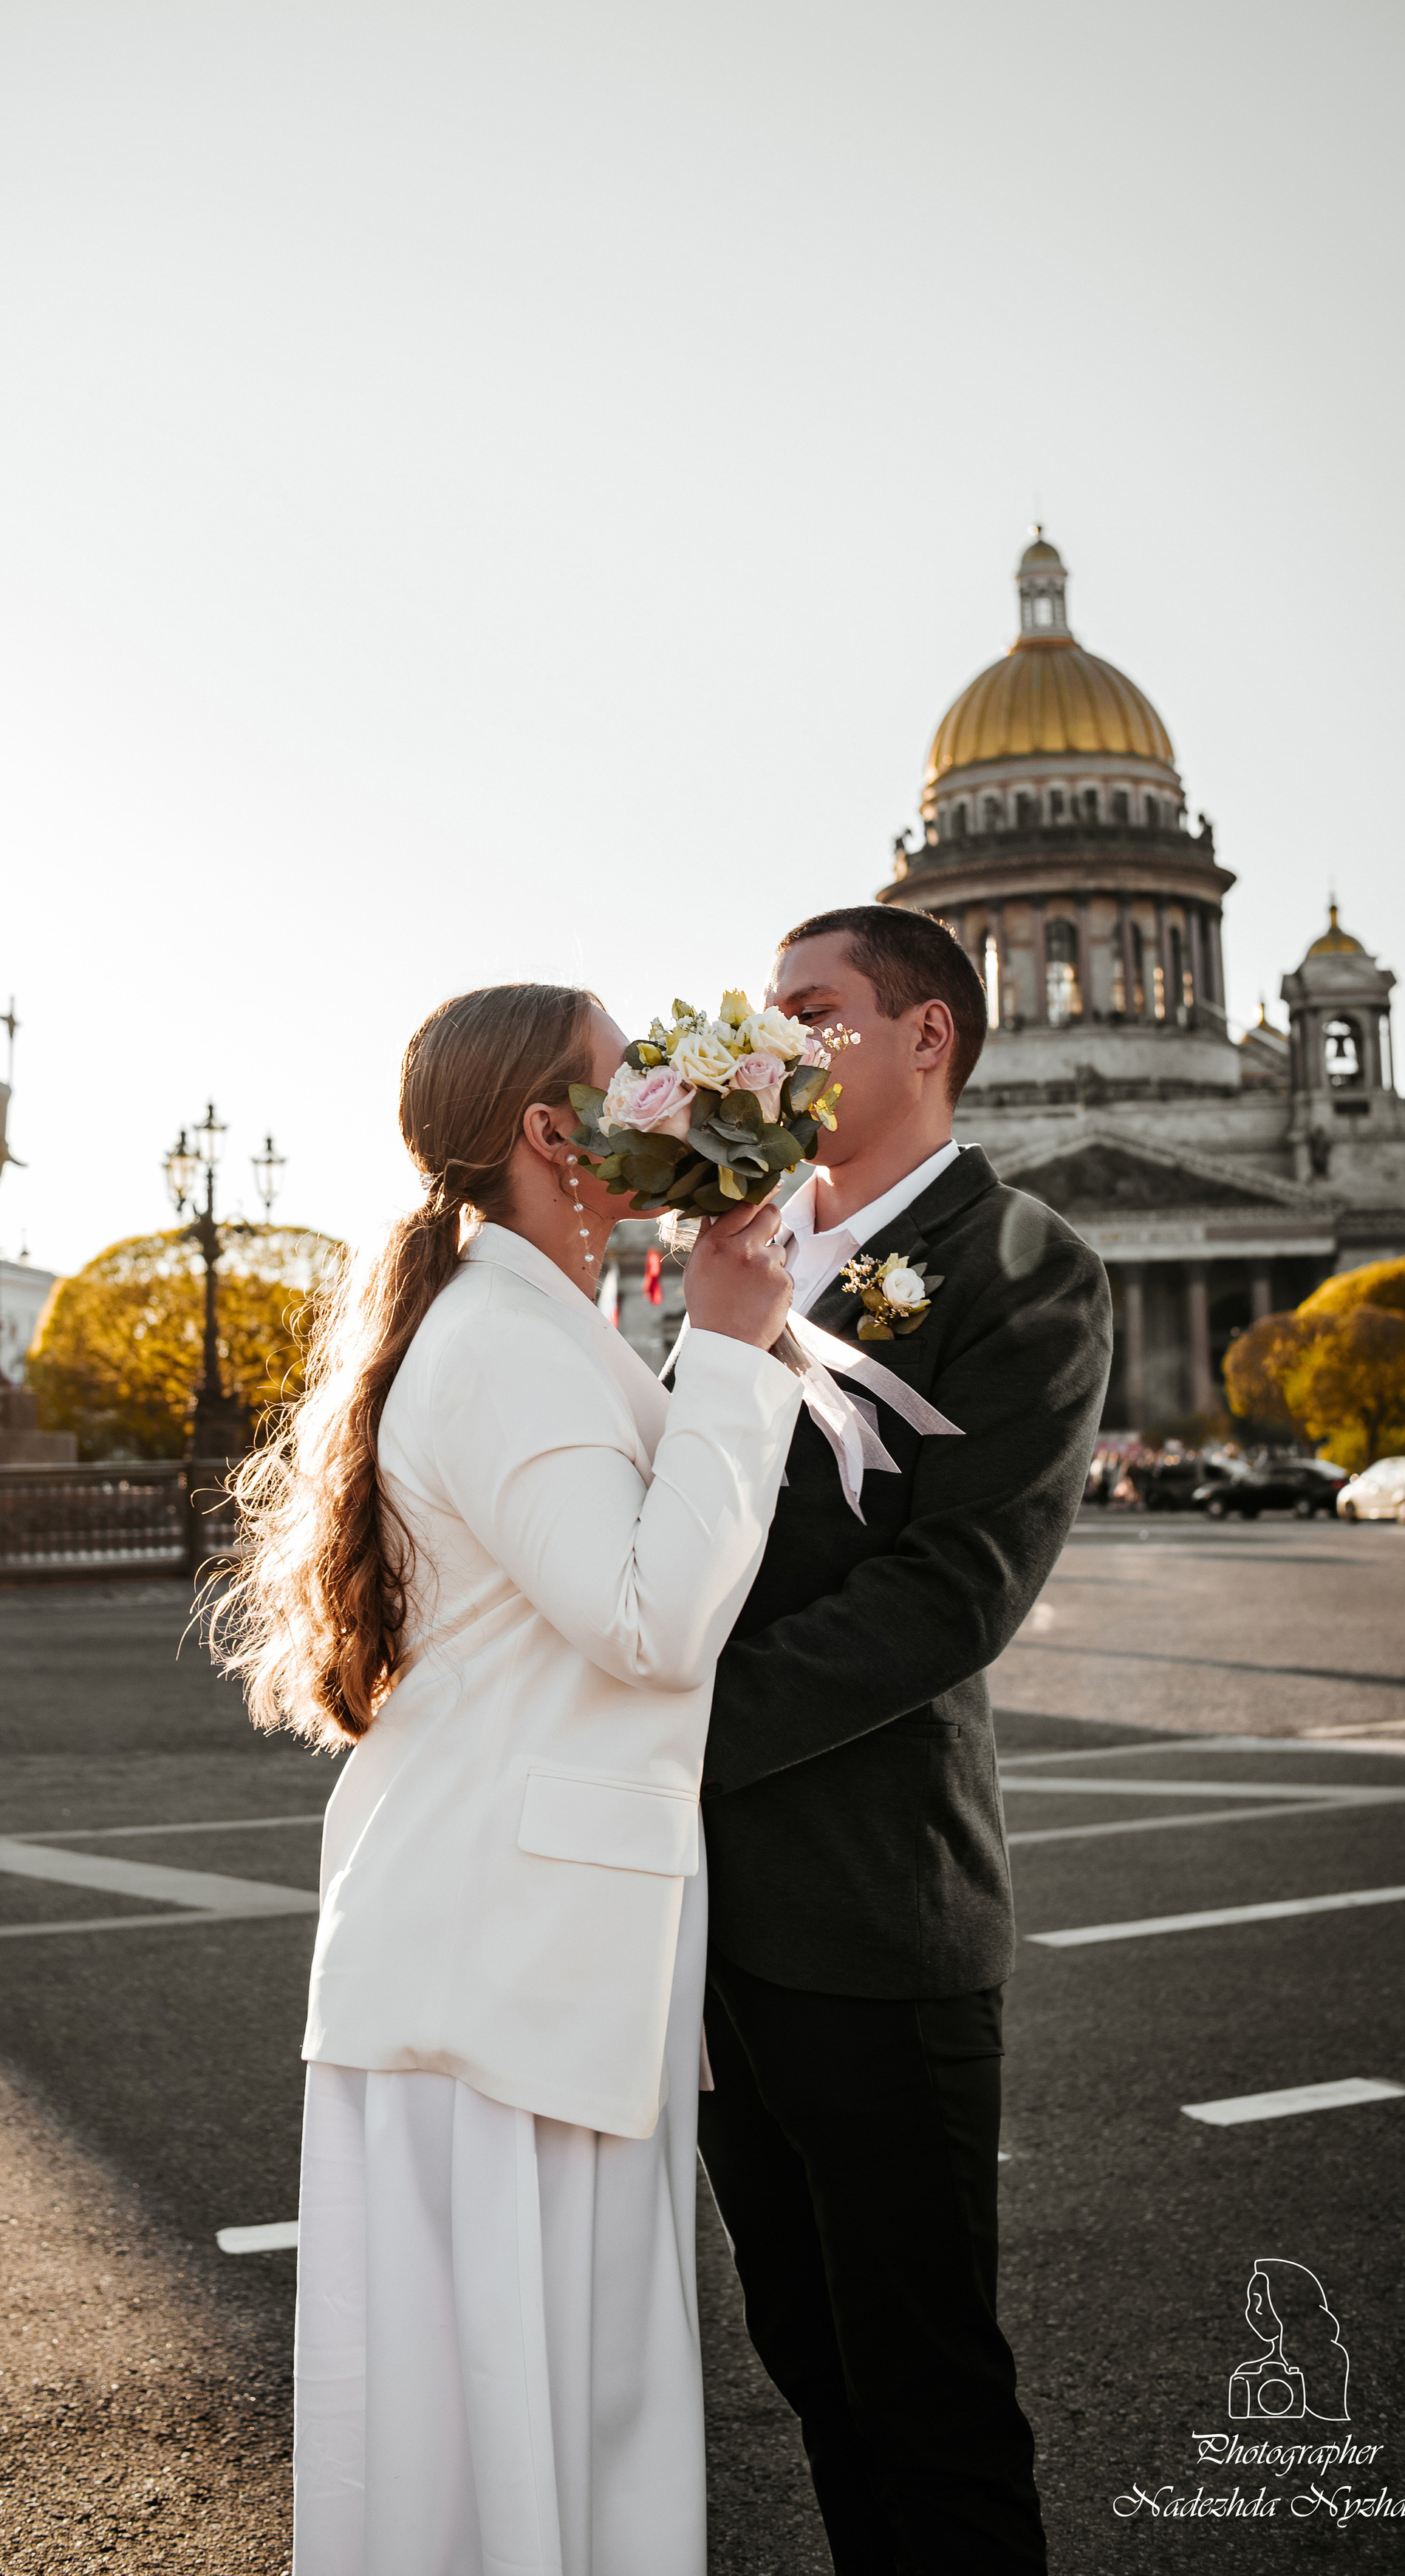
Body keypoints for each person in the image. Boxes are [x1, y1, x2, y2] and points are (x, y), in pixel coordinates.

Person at [221, 981, 801, 2576]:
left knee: (521, 2433)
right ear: (554, 1131)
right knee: (534, 2429)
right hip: (511, 1977)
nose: (669, 1099)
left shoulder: (525, 1324)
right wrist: (729, 1354)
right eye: (631, 1080)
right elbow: (646, 1622)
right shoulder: (506, 1340)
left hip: (515, 1961)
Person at [696, 904, 1113, 2575]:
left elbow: (955, 1591)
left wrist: (666, 1734)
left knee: (925, 2397)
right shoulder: (736, 1246)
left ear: (926, 1033)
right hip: (705, 1915)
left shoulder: (1020, 1260)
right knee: (808, 2363)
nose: (774, 1043)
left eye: (812, 1011)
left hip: (874, 1908)